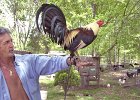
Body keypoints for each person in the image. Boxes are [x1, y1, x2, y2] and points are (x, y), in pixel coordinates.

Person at [0, 27, 94, 100]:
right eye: (6, 42)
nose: (11, 45)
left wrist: (72, 60)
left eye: (11, 41)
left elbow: (51, 62)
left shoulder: (28, 62)